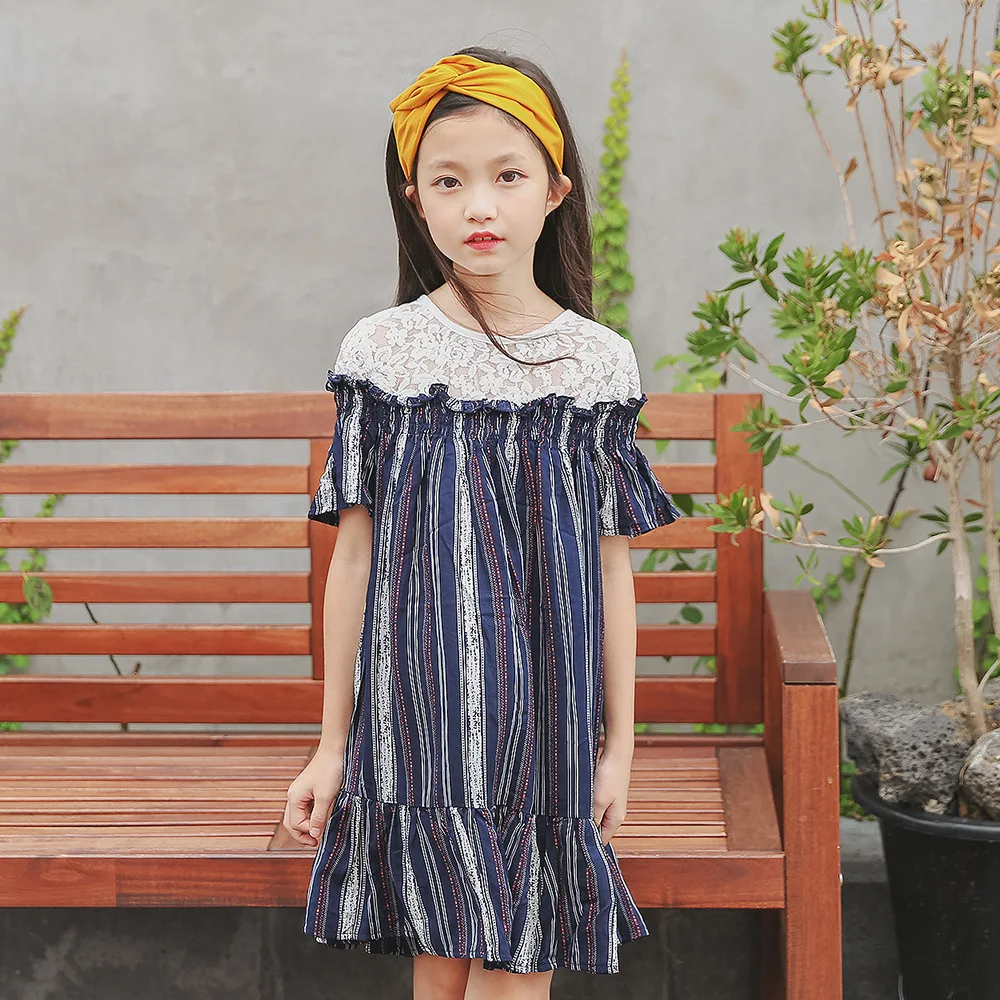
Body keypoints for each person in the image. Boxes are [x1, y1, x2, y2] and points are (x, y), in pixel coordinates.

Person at [282, 46, 682, 1000]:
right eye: (448, 181)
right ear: (415, 200)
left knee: (515, 972)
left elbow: (611, 570)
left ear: (555, 190)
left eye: (508, 176)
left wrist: (620, 748)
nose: (480, 206)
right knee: (442, 967)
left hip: (547, 729)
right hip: (418, 723)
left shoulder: (596, 364)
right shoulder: (383, 353)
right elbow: (354, 562)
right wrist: (333, 746)